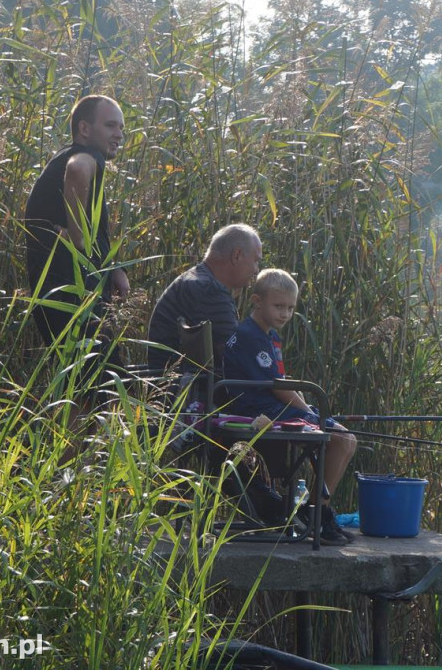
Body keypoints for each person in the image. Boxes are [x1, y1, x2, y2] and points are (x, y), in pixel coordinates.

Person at [24, 94, 130, 457]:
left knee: (86, 390)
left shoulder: (82, 160)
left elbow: (95, 218)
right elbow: (78, 171)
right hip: (69, 297)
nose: (119, 134)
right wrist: (81, 243)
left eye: (122, 127)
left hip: (68, 296)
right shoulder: (87, 157)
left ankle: (67, 480)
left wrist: (112, 267)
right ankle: (67, 478)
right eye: (110, 125)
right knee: (107, 388)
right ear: (84, 129)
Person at [222, 269, 358, 545]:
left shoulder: (267, 334)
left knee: (346, 439)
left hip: (267, 406)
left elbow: (280, 381)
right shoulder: (252, 336)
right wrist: (309, 412)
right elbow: (277, 387)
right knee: (343, 440)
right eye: (279, 306)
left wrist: (307, 408)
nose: (285, 313)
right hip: (260, 411)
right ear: (257, 301)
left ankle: (318, 509)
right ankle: (318, 511)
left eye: (291, 308)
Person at [146, 223, 262, 372]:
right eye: (256, 261)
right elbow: (236, 357)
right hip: (184, 389)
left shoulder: (198, 279)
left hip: (177, 384)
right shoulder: (209, 290)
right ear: (237, 256)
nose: (256, 270)